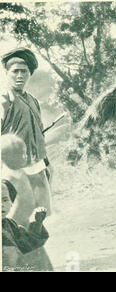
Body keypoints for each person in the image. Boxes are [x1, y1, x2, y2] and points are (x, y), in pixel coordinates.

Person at [1, 48, 52, 214]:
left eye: (24, 72)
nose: (20, 76)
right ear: (7, 73)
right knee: (12, 216)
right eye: (15, 71)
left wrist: (45, 159)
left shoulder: (33, 101)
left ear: (30, 74)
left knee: (41, 214)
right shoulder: (4, 100)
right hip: (13, 168)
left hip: (36, 165)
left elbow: (39, 134)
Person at [1, 134, 52, 271]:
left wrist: (37, 224)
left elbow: (29, 244)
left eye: (5, 200)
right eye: (20, 154)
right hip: (19, 220)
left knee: (38, 256)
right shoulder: (8, 178)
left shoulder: (9, 225)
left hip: (22, 224)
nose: (2, 205)